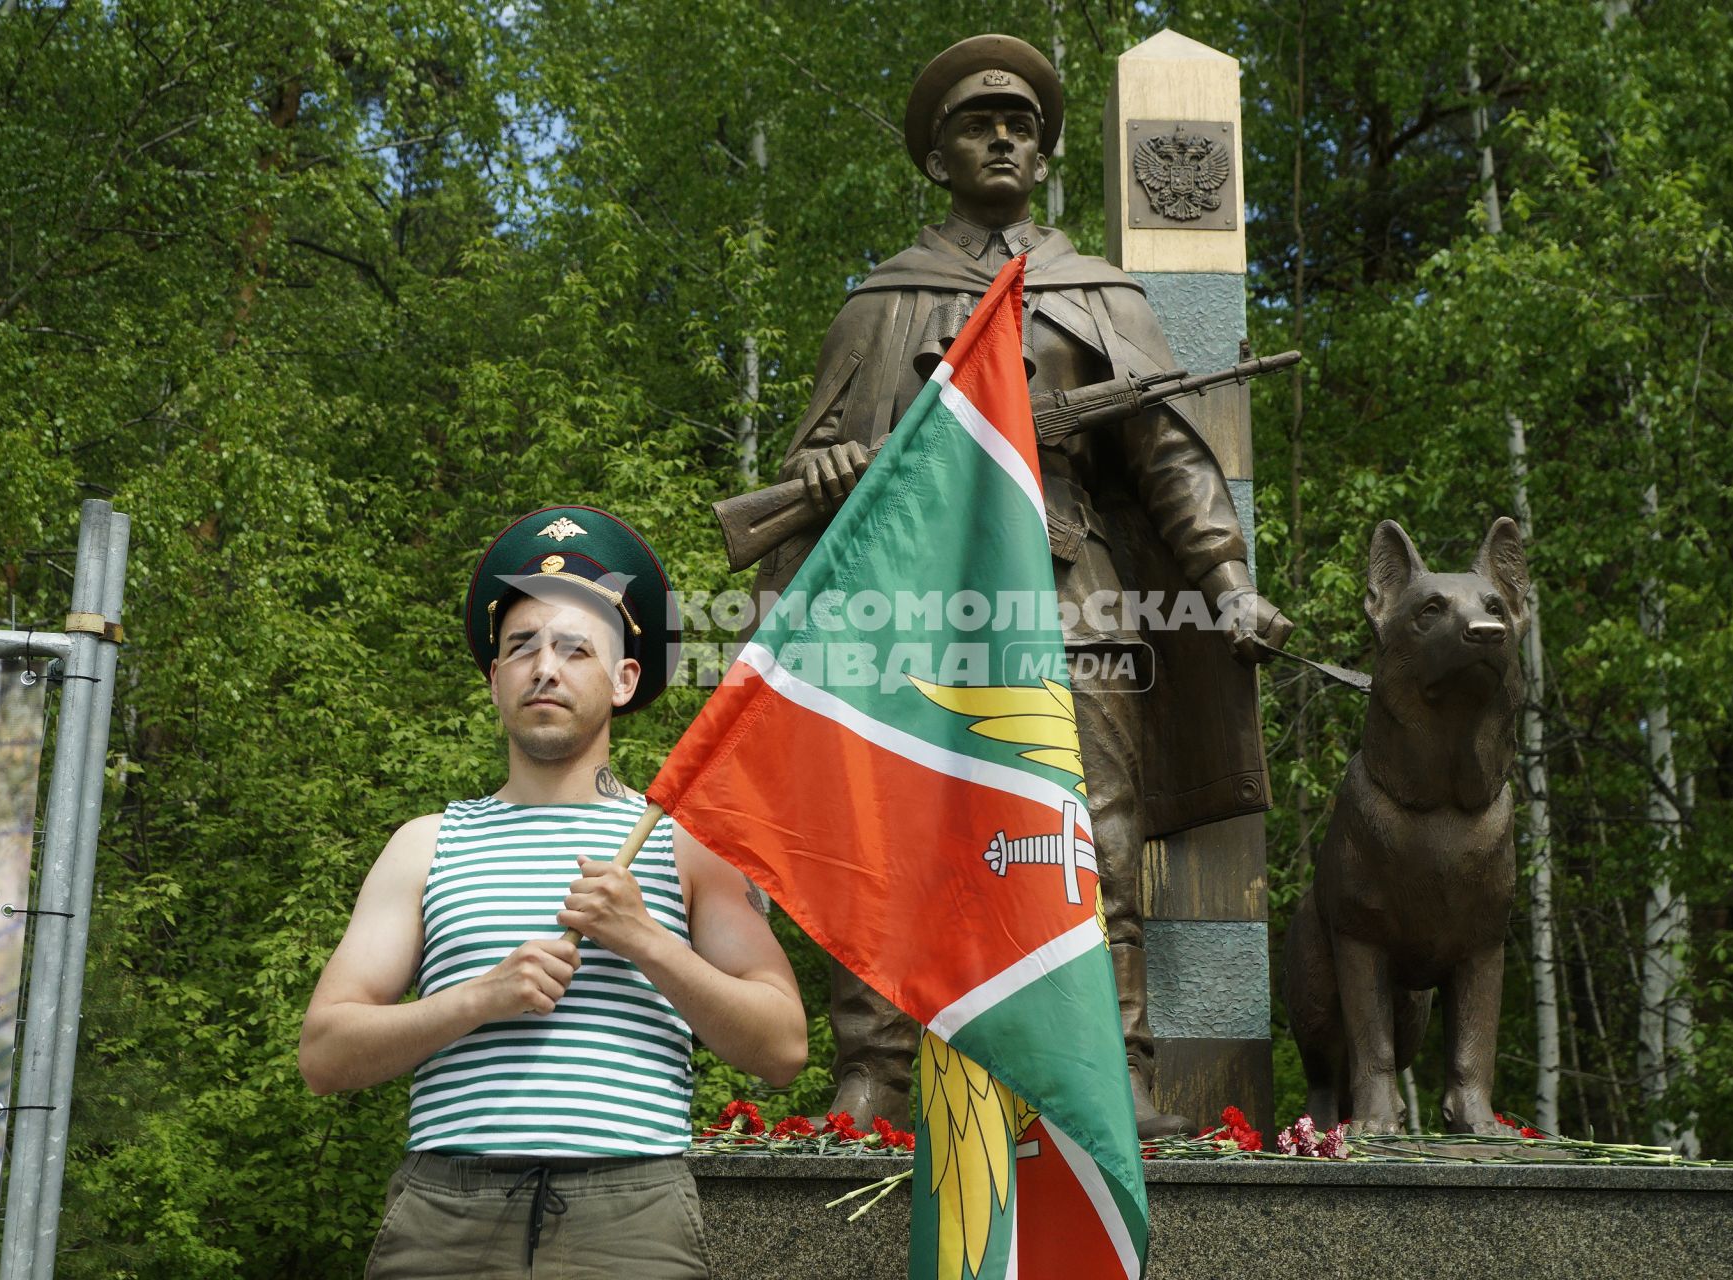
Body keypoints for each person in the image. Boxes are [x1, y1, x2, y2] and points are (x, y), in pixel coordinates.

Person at [755, 34, 1293, 1139]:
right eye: (974, 122)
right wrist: (817, 468)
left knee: (1090, 832)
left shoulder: (1093, 294)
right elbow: (812, 476)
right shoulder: (879, 305)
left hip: (1070, 591)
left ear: (1043, 159)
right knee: (894, 826)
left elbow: (1169, 461)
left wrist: (1226, 581)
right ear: (934, 157)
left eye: (1020, 127)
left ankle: (1114, 1066)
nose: (1001, 137)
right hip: (913, 604)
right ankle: (878, 1072)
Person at [300, 506, 806, 1279]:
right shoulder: (425, 845)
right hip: (447, 1211)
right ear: (494, 678)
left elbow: (781, 1047)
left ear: (625, 677)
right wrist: (479, 998)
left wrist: (643, 938)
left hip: (632, 1212)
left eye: (576, 649)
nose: (546, 667)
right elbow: (325, 1054)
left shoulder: (681, 843)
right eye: (522, 648)